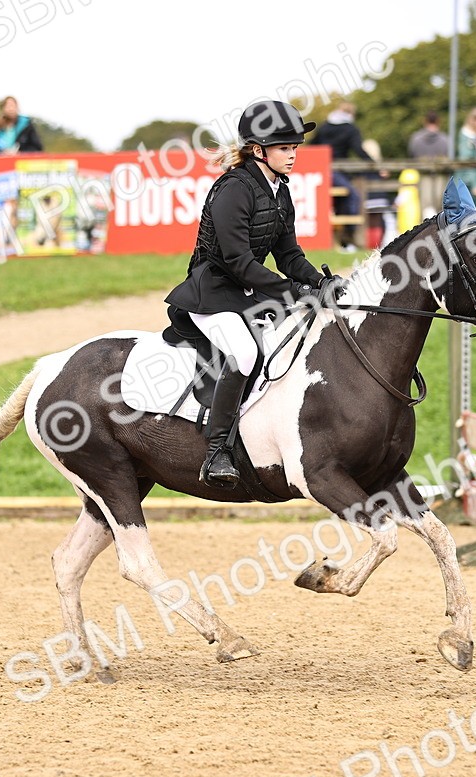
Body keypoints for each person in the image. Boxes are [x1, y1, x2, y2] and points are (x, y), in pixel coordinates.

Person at [165, 100, 337, 487]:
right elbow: (239, 262)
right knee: (246, 352)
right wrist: (293, 290)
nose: (292, 155)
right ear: (258, 150)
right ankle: (217, 451)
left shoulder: (279, 190)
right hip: (211, 292)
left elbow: (289, 254)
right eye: (284, 148)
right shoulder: (233, 190)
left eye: (295, 147)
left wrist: (319, 281)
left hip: (246, 291)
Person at [311, 100, 383, 252]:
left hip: (319, 171)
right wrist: (376, 168)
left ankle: (338, 239)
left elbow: (312, 146)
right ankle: (348, 237)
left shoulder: (324, 126)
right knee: (353, 197)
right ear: (351, 114)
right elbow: (359, 150)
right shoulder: (350, 129)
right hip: (336, 172)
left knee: (333, 201)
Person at [407, 110, 449, 216]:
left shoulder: (416, 138)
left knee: (425, 207)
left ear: (425, 121)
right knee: (440, 207)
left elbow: (412, 154)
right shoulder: (445, 139)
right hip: (440, 175)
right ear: (438, 121)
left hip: (423, 175)